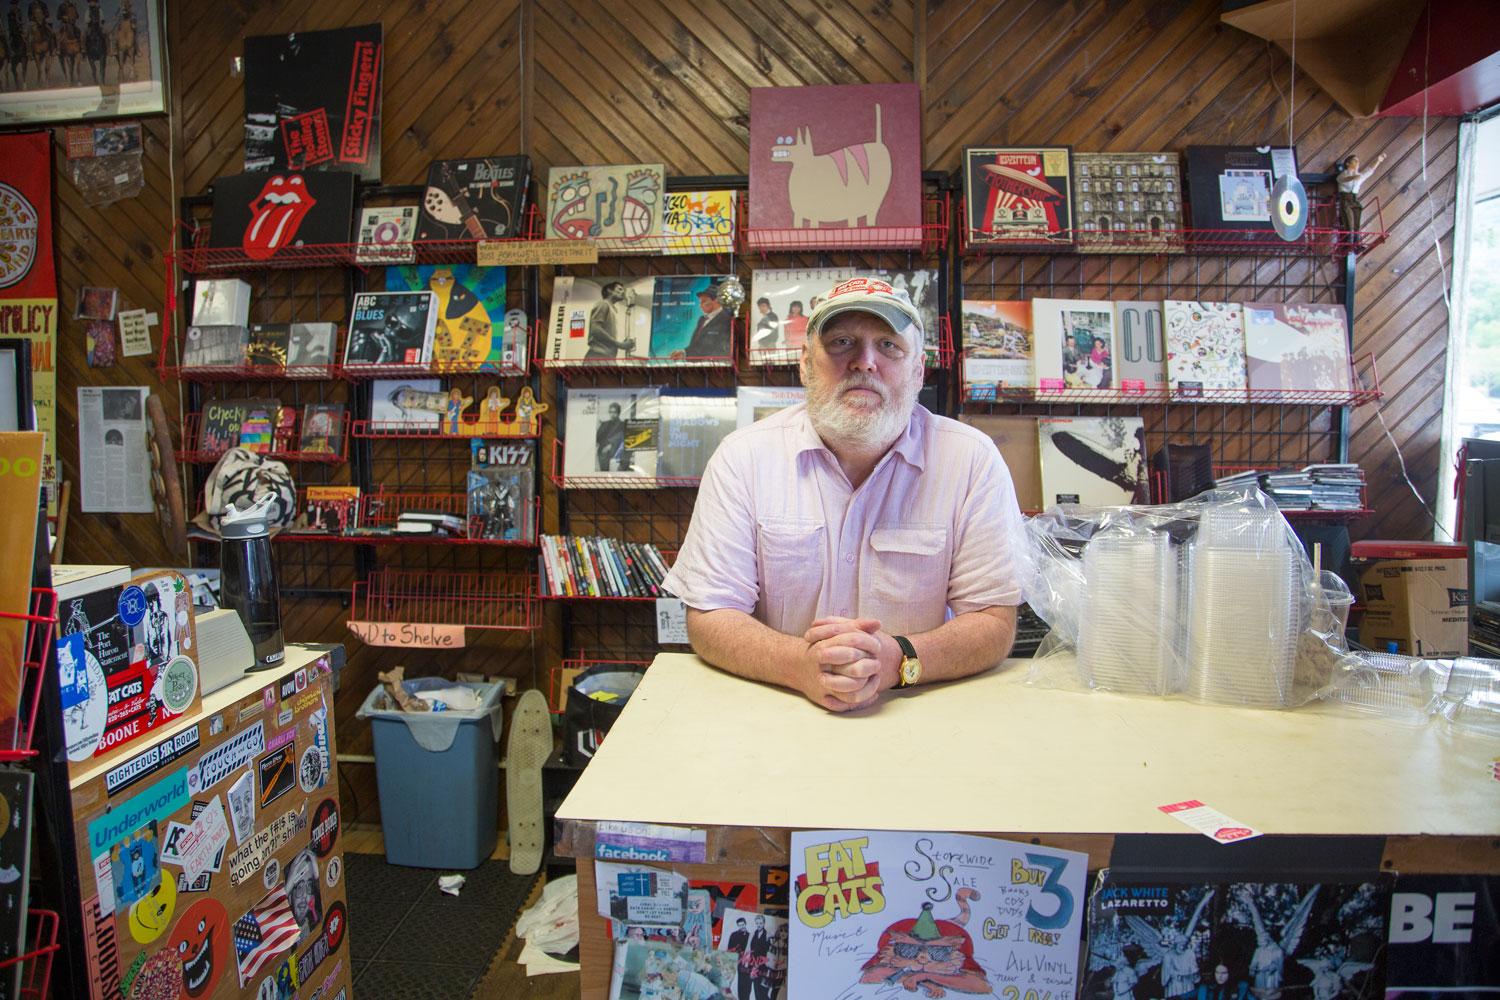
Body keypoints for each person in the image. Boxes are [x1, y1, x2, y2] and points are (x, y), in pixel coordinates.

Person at [663, 277, 1031, 713]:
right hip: (773, 711)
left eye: (889, 346)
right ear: (804, 364)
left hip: (923, 716)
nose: (865, 362)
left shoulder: (971, 460)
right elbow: (709, 616)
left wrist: (899, 660)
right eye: (841, 342)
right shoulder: (742, 459)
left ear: (918, 371)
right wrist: (800, 666)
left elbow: (993, 622)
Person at [586, 280, 637, 358]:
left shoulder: (612, 309)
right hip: (598, 355)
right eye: (620, 289)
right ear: (609, 290)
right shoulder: (604, 304)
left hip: (607, 356)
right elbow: (595, 329)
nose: (623, 292)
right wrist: (620, 344)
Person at [680, 283, 732, 359]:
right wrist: (684, 353)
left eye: (704, 301)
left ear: (716, 300)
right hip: (696, 365)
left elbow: (722, 348)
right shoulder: (702, 319)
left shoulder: (727, 319)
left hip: (714, 365)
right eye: (700, 302)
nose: (700, 305)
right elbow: (696, 344)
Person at [596, 401, 625, 472]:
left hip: (615, 452)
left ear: (618, 413)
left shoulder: (622, 424)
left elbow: (621, 436)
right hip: (603, 452)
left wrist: (610, 444)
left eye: (614, 412)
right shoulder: (605, 424)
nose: (612, 414)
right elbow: (598, 437)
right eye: (611, 412)